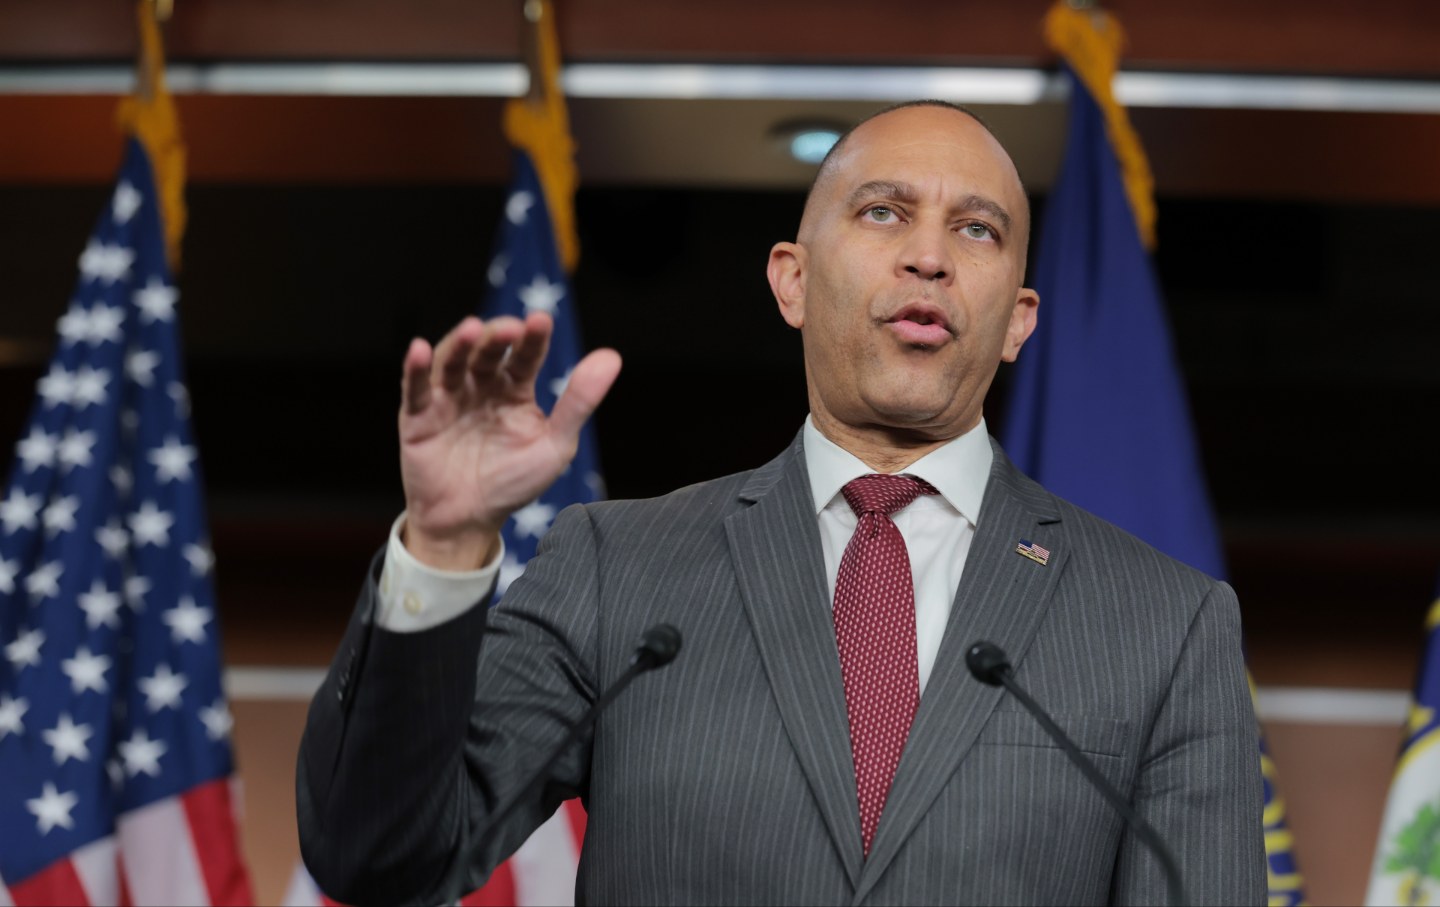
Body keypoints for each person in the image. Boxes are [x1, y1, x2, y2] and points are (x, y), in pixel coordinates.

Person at [296, 100, 1265, 906]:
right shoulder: (617, 568)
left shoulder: (1165, 626)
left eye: (978, 229)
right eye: (883, 212)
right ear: (791, 281)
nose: (929, 256)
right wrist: (445, 542)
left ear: (1018, 321)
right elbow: (382, 858)